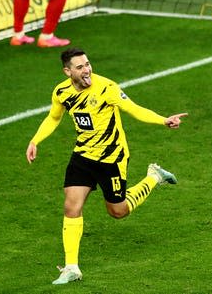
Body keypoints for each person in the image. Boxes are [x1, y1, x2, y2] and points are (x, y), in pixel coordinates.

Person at [25, 47, 188, 285]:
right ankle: (72, 268)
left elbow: (134, 108)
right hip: (83, 156)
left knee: (118, 211)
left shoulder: (106, 88)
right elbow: (54, 117)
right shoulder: (61, 92)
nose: (87, 70)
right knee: (71, 206)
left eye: (88, 64)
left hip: (112, 158)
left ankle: (154, 176)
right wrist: (35, 140)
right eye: (80, 67)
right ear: (67, 71)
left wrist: (163, 120)